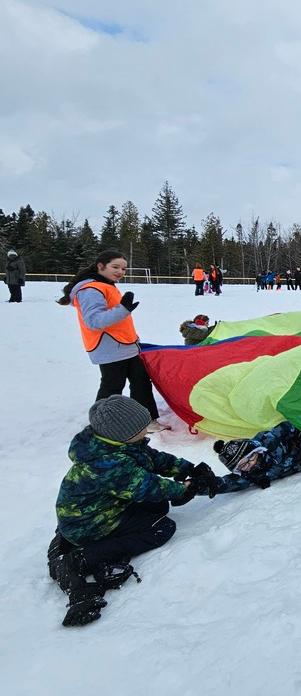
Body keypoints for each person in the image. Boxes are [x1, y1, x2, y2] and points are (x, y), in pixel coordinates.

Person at [47, 396, 219, 626]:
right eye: (142, 428)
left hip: (95, 509)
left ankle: (82, 542)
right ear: (124, 433)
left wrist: (189, 469)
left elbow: (152, 459)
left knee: (158, 507)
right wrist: (185, 490)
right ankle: (82, 559)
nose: (147, 430)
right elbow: (150, 487)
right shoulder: (109, 464)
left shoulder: (113, 443)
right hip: (87, 525)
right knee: (161, 528)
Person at [57, 250, 170, 430]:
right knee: (112, 386)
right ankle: (100, 423)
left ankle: (146, 420)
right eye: (115, 267)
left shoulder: (106, 285)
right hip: (109, 347)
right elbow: (93, 321)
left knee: (140, 380)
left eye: (123, 269)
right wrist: (123, 309)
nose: (120, 272)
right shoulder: (90, 290)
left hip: (127, 345)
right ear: (100, 266)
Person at [211, 421, 301, 493]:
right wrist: (206, 485)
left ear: (256, 450)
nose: (252, 463)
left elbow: (295, 425)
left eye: (251, 457)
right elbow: (226, 484)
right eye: (244, 465)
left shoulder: (269, 440)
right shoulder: (250, 475)